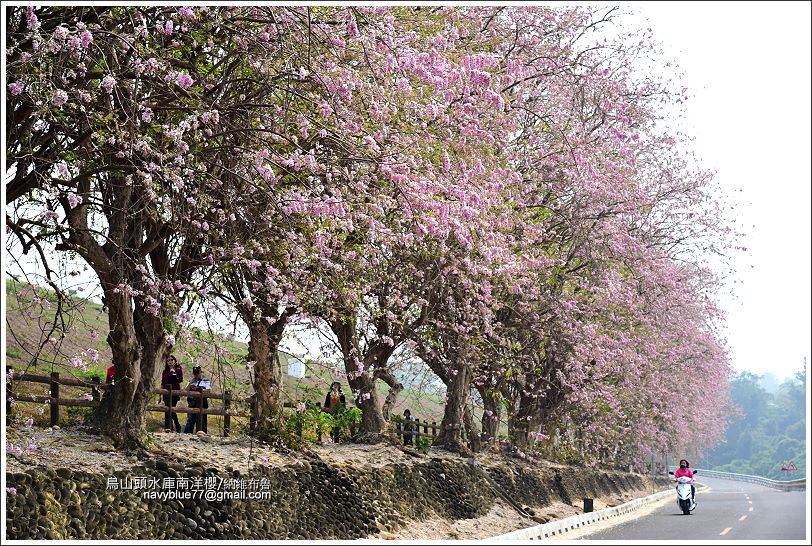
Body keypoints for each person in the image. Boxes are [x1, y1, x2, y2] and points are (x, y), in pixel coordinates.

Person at [183, 366, 210, 433]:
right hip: (192, 403)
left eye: (197, 374)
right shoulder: (191, 381)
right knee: (190, 419)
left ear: (200, 372)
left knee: (202, 420)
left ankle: (202, 433)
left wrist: (198, 389)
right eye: (195, 374)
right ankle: (187, 434)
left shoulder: (205, 380)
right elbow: (186, 390)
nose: (196, 375)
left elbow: (208, 390)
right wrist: (190, 383)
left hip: (202, 403)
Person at [161, 356, 183, 432]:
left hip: (175, 392)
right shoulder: (165, 371)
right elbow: (162, 383)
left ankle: (177, 425)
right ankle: (169, 427)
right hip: (166, 393)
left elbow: (180, 381)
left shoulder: (178, 370)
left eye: (171, 360)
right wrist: (160, 395)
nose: (170, 361)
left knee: (172, 408)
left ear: (175, 361)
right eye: (168, 360)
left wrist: (181, 392)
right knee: (167, 409)